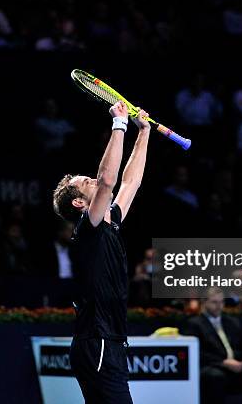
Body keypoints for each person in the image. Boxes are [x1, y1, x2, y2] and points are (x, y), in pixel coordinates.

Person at [53, 100, 151, 404]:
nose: (94, 180)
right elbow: (108, 180)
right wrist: (119, 124)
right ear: (79, 203)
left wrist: (143, 132)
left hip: (110, 342)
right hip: (98, 342)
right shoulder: (87, 229)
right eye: (86, 183)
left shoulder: (111, 222)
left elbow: (130, 181)